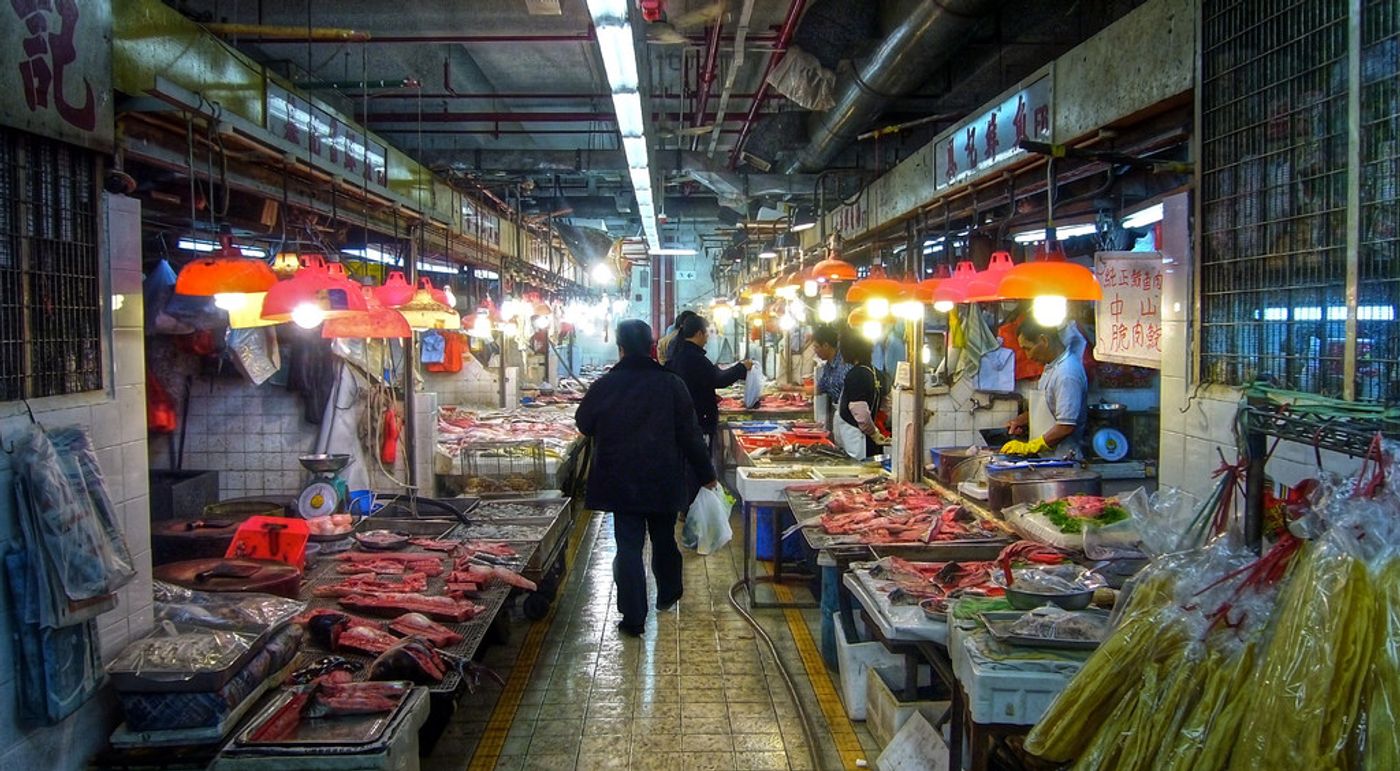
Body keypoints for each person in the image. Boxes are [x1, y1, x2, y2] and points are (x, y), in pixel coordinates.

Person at [576, 319, 718, 637]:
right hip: (663, 477)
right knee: (664, 538)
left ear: (621, 348)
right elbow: (690, 434)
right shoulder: (671, 384)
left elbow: (583, 423)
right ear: (652, 347)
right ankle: (668, 594)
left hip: (620, 480)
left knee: (628, 547)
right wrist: (707, 473)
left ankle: (633, 618)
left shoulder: (605, 386)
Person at [666, 314, 751, 500]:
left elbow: (699, 383)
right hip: (699, 419)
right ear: (698, 333)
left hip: (686, 416)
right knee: (696, 462)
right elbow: (719, 379)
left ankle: (688, 502)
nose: (708, 338)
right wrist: (741, 368)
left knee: (688, 462)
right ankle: (694, 504)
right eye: (706, 334)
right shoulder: (694, 358)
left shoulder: (680, 355)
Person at [1002, 317, 1089, 458]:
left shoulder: (1067, 373)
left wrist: (1030, 447)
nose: (1027, 356)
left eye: (1028, 349)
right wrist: (1021, 420)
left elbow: (1066, 426)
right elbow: (1049, 407)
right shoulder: (1051, 368)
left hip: (1064, 460)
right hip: (1048, 457)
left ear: (1044, 341)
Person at [835, 330, 889, 460]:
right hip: (868, 441)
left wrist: (873, 432)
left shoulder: (856, 375)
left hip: (857, 441)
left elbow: (860, 413)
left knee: (859, 473)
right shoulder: (879, 374)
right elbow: (886, 407)